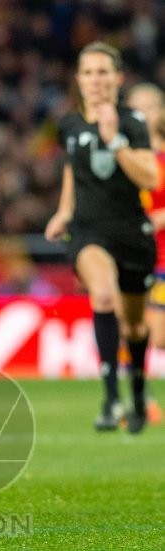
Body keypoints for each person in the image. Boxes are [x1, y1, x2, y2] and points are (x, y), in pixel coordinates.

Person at [45, 42, 158, 434]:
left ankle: (139, 394)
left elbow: (151, 177)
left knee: (135, 327)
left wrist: (115, 140)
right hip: (89, 231)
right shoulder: (69, 125)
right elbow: (73, 170)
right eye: (88, 72)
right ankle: (111, 400)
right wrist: (63, 211)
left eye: (103, 72)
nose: (95, 80)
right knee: (103, 294)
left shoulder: (132, 123)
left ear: (118, 79)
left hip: (132, 233)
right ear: (79, 79)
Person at [127, 82, 165, 431]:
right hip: (140, 257)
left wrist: (157, 219)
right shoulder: (127, 156)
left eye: (149, 106)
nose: (142, 113)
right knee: (139, 330)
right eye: (136, 106)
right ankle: (143, 400)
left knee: (157, 335)